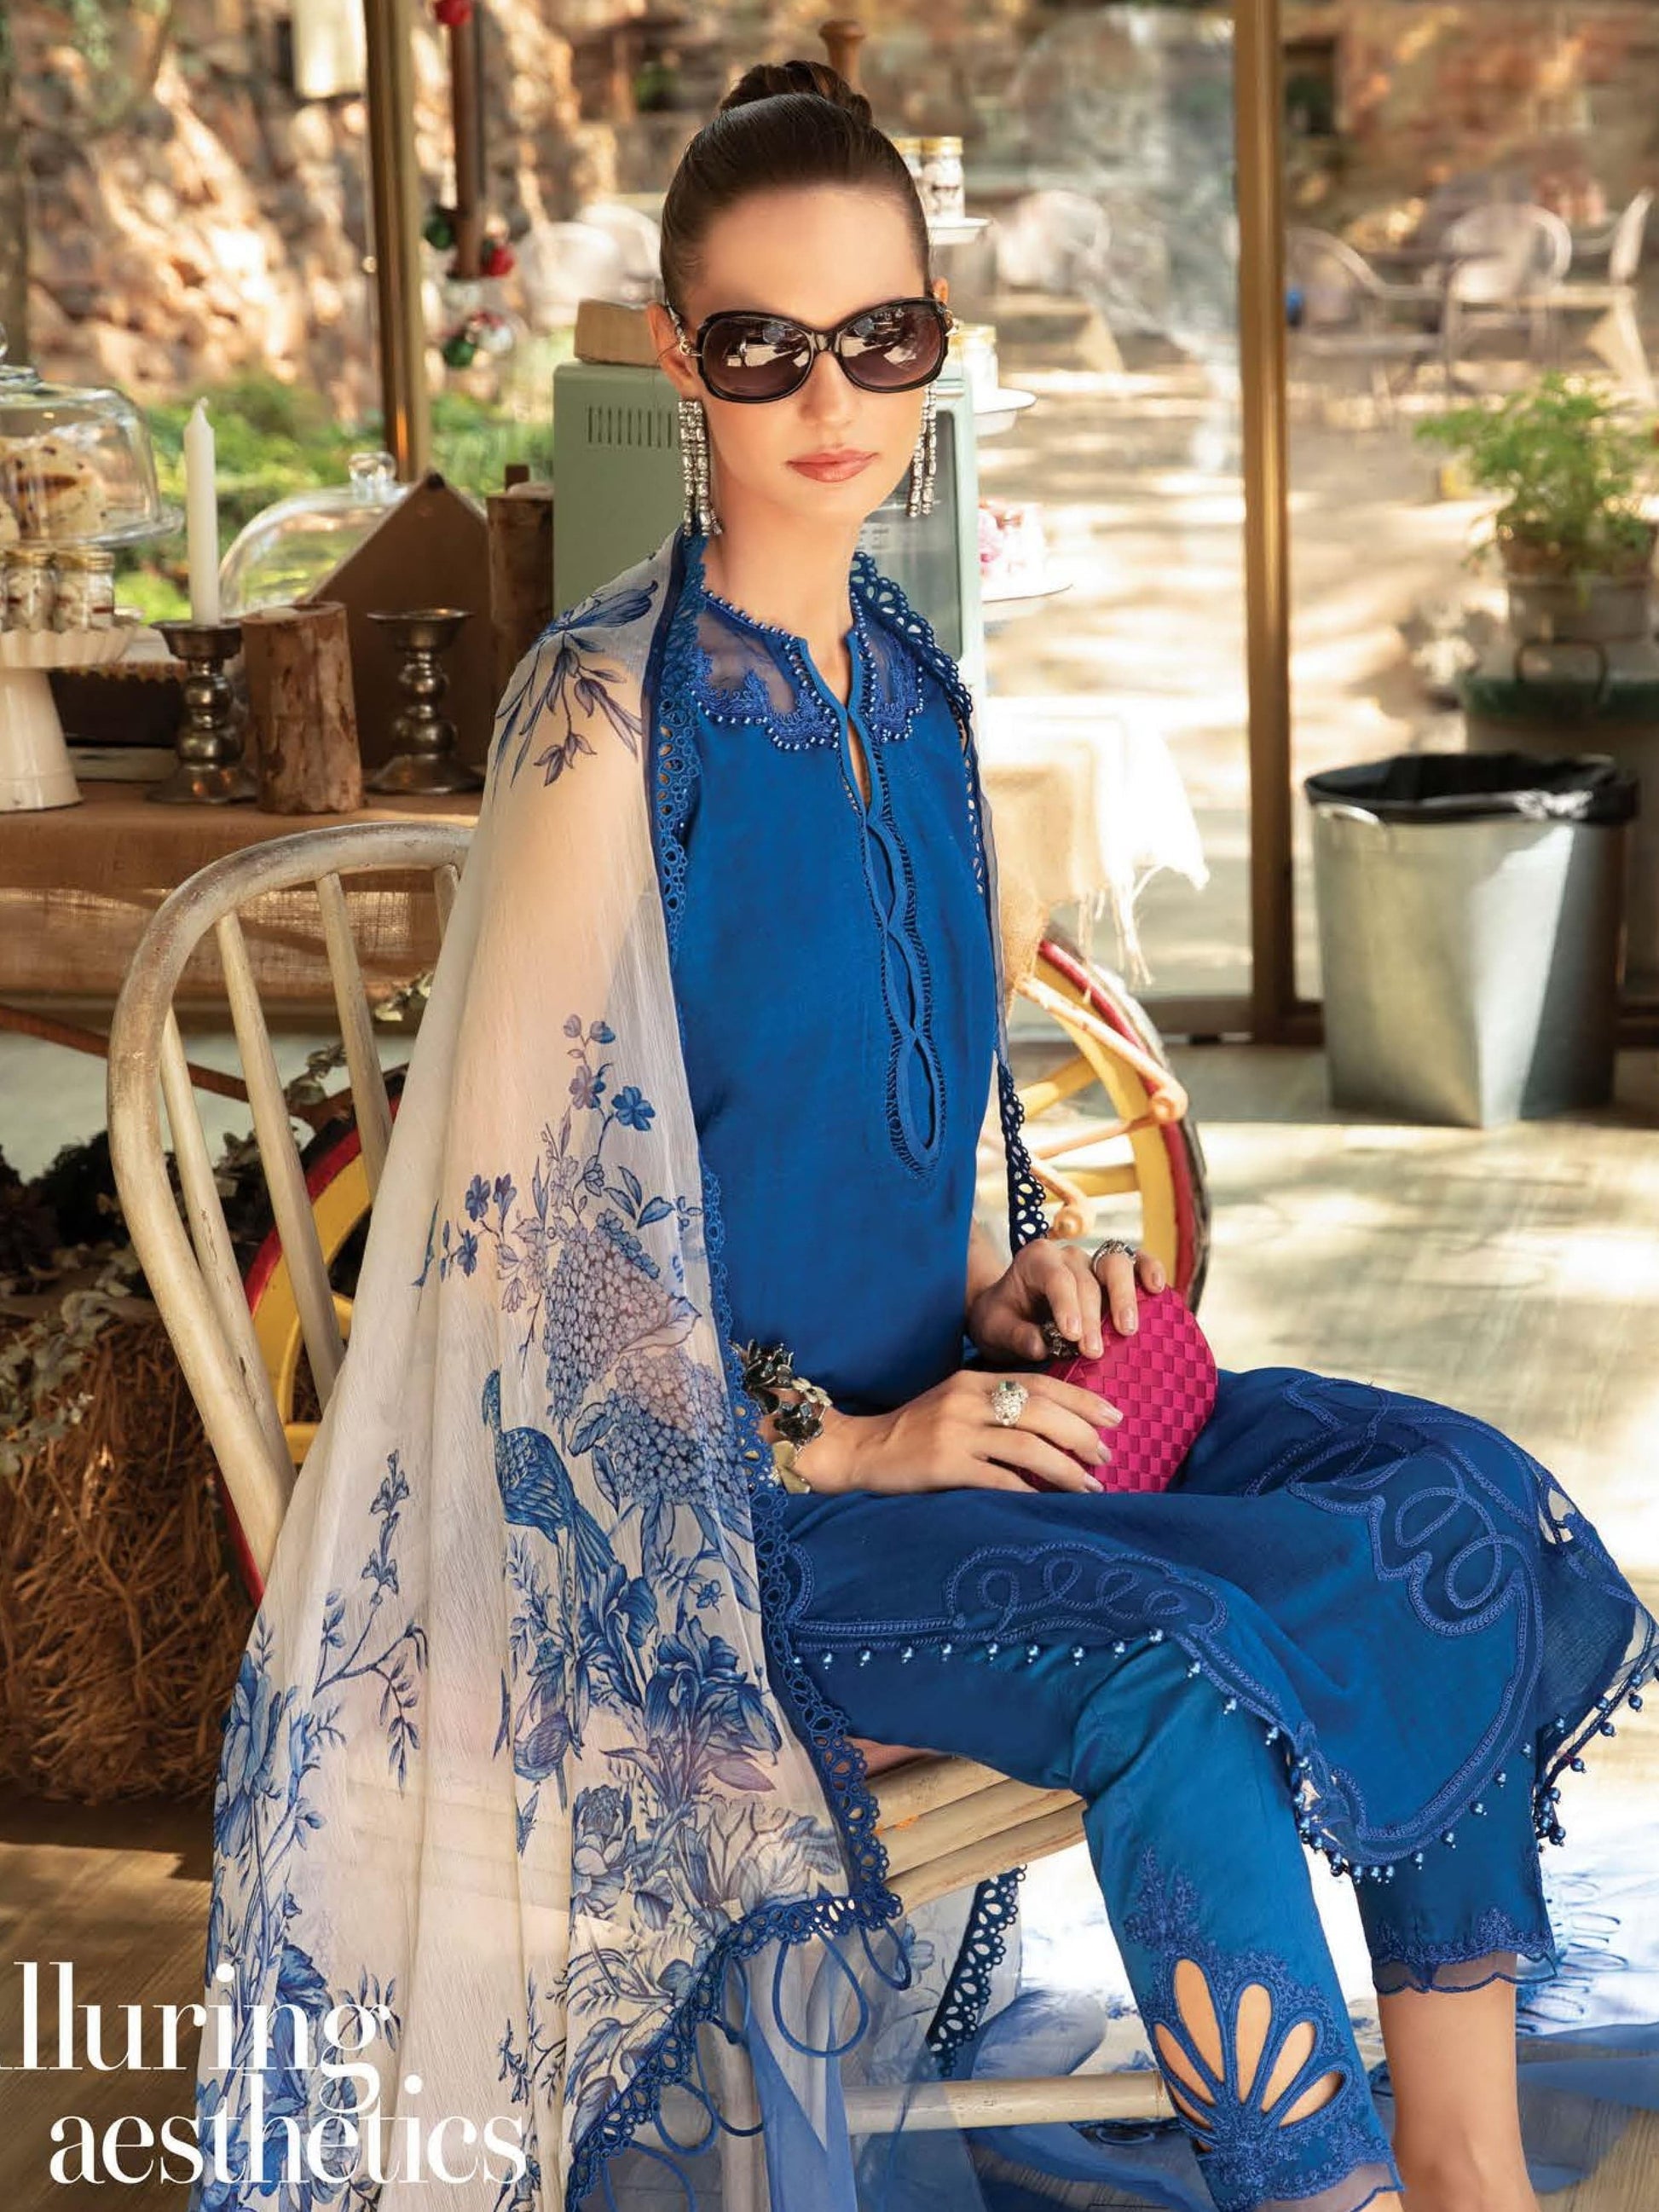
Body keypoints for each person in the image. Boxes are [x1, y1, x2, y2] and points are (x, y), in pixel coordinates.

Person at [188, 60, 1656, 2212]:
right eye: (763, 345)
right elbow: (526, 1274)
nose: (830, 397)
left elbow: (856, 1136)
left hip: (954, 1427)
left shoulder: (912, 684)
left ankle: (1465, 2176)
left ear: (935, 341)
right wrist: (854, 1441)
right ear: (677, 356)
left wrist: (1006, 1279)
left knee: (1453, 1498)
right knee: (1174, 1679)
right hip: (706, 1532)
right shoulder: (603, 726)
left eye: (881, 336)